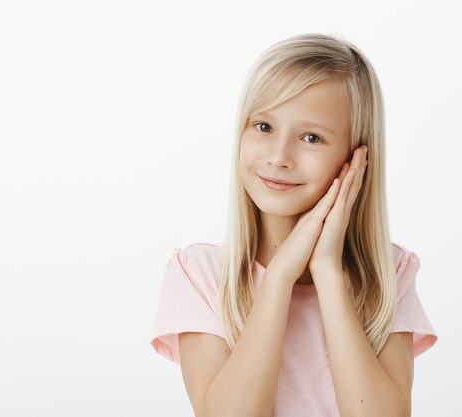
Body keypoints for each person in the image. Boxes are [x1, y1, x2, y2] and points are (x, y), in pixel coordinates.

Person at [149, 32, 438, 417]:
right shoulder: (199, 274)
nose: (278, 157)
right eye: (264, 127)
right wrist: (280, 275)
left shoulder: (389, 274)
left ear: (356, 158)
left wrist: (328, 273)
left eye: (311, 137)